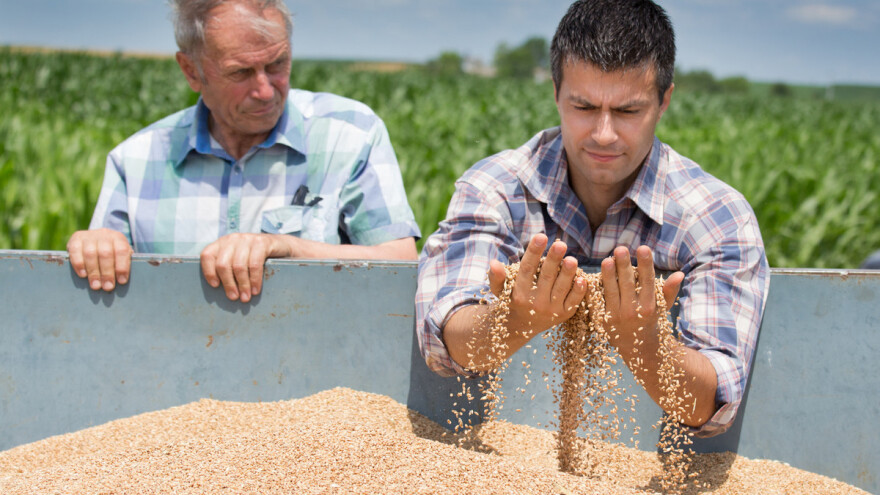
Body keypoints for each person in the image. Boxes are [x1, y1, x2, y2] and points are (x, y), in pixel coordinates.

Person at [416, 0, 769, 437]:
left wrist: (646, 344)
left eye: (627, 111)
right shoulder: (497, 187)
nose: (603, 133)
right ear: (555, 93)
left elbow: (713, 406)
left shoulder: (716, 217)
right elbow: (445, 340)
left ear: (664, 101)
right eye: (583, 107)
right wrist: (512, 319)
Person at [67, 0, 420, 303]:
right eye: (241, 73)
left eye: (277, 64)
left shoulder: (350, 133)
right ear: (192, 71)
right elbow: (103, 289)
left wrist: (289, 248)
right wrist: (97, 247)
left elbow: (400, 263)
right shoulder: (135, 160)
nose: (266, 90)